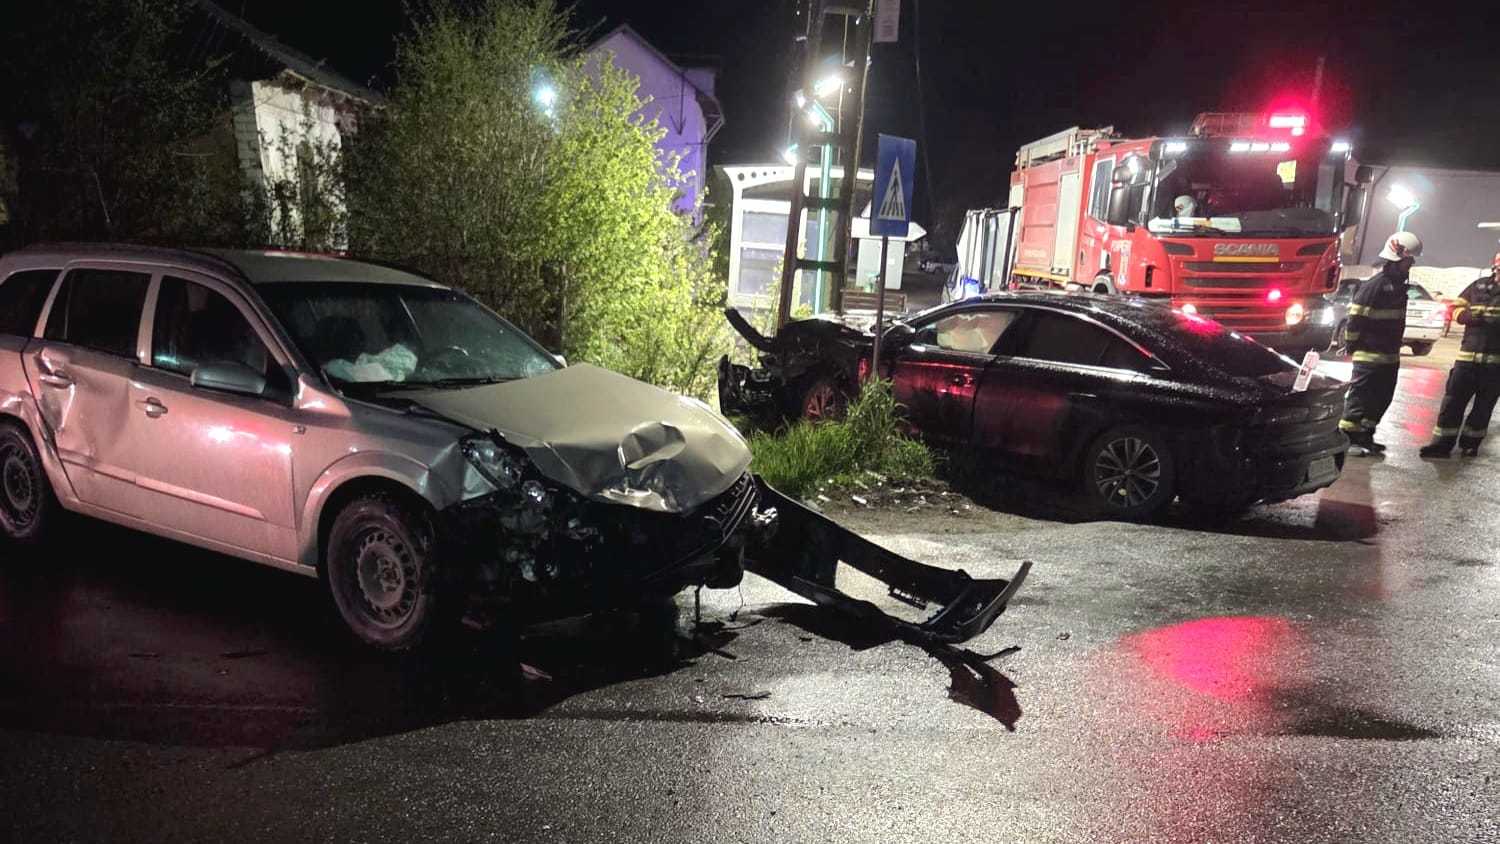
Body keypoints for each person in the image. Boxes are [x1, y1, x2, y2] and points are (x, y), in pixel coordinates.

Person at [1339, 231, 1423, 454]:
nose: (1411, 265)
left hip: (1389, 357)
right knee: (1359, 399)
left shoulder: (1399, 287)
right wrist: (1352, 346)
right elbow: (1356, 319)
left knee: (1381, 398)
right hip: (1369, 356)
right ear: (1397, 259)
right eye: (1409, 261)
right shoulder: (1375, 286)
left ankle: (1365, 435)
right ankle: (1348, 439)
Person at [1419, 252, 1500, 458]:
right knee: (1452, 402)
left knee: (1483, 407)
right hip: (1467, 360)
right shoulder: (1478, 286)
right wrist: (1465, 316)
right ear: (1494, 267)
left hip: (1495, 365)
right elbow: (1455, 306)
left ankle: (1470, 445)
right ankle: (1441, 445)